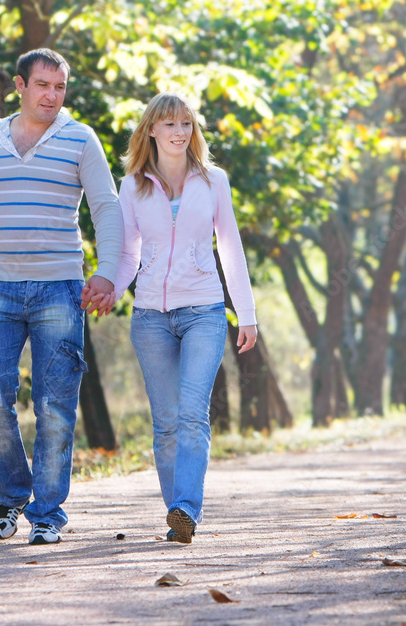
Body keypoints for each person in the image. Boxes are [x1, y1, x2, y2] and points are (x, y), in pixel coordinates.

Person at [0, 48, 121, 545]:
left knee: (55, 405)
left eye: (60, 87)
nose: (52, 96)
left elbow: (106, 206)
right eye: (42, 85)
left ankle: (47, 513)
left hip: (60, 288)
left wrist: (107, 273)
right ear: (19, 86)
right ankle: (10, 496)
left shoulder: (81, 138)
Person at [113, 92, 258, 544]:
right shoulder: (132, 186)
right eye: (169, 124)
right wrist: (108, 290)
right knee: (166, 422)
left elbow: (230, 248)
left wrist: (246, 313)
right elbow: (127, 254)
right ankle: (177, 511)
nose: (179, 132)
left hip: (204, 312)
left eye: (186, 124)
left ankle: (186, 509)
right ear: (151, 130)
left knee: (193, 414)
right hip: (150, 318)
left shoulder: (214, 181)